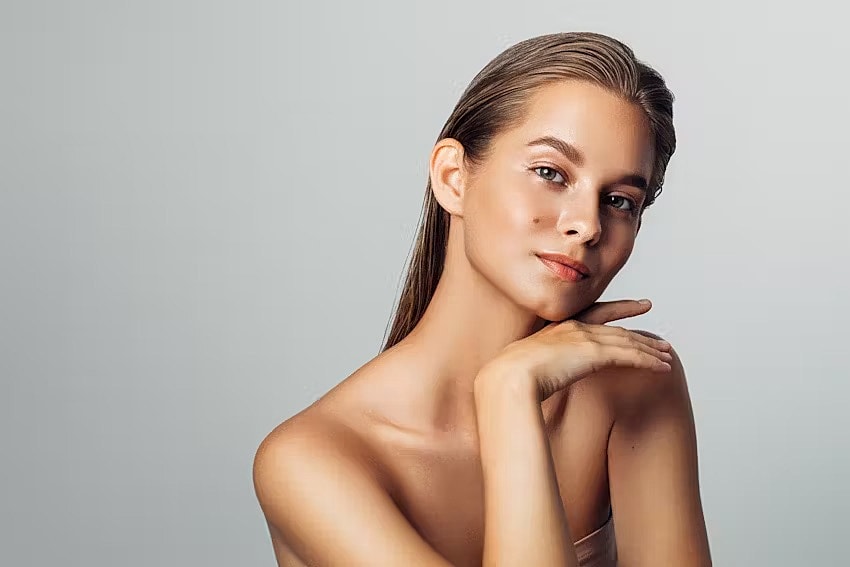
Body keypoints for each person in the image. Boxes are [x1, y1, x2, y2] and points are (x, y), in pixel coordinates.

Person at [253, 31, 712, 566]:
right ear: (453, 177)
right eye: (550, 173)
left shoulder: (633, 384)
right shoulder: (311, 460)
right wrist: (508, 392)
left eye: (619, 201)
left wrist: (509, 390)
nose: (587, 225)